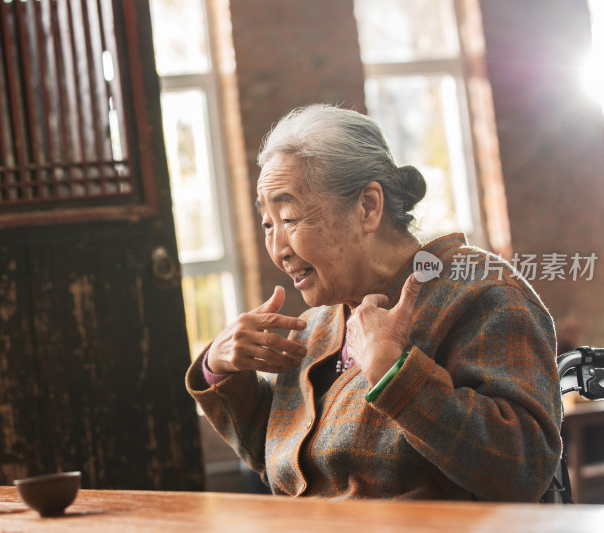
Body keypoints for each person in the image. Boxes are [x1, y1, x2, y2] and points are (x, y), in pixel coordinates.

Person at [185, 104, 562, 501]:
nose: (278, 250)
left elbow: (526, 468)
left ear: (367, 206)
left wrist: (393, 372)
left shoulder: (483, 294)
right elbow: (294, 466)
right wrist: (220, 369)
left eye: (290, 217)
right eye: (267, 225)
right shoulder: (319, 325)